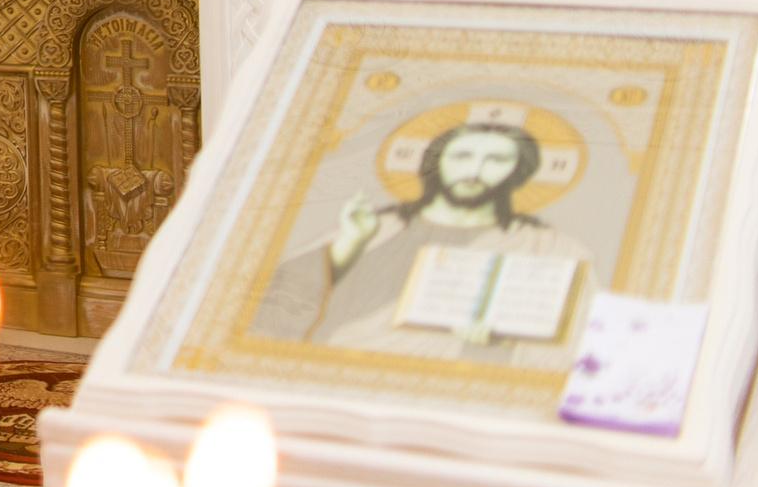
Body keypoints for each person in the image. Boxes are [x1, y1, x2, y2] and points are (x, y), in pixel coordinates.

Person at [251, 120, 593, 366]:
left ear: (519, 171)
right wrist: (349, 246)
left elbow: (579, 342)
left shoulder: (549, 248)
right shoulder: (377, 227)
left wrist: (502, 341)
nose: (475, 170)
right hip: (344, 367)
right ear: (437, 162)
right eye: (462, 156)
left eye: (497, 160)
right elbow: (268, 306)